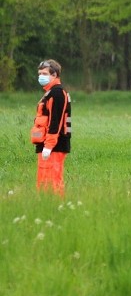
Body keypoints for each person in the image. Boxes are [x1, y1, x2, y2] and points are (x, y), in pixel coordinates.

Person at [31, 59, 72, 196]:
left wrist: (49, 146)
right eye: (39, 74)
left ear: (54, 75)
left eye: (44, 73)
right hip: (45, 143)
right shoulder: (50, 93)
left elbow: (56, 121)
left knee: (53, 180)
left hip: (54, 145)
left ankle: (56, 207)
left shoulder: (58, 93)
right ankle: (44, 205)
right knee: (43, 180)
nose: (40, 77)